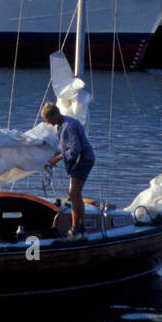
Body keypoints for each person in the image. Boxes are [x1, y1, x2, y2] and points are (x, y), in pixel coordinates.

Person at [41, 102, 95, 239]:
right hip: (81, 160)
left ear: (54, 115)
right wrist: (52, 157)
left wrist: (58, 158)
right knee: (76, 194)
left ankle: (76, 229)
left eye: (47, 119)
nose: (47, 123)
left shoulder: (68, 126)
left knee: (74, 194)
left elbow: (75, 149)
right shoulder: (62, 125)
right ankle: (81, 228)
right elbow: (63, 147)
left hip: (82, 160)